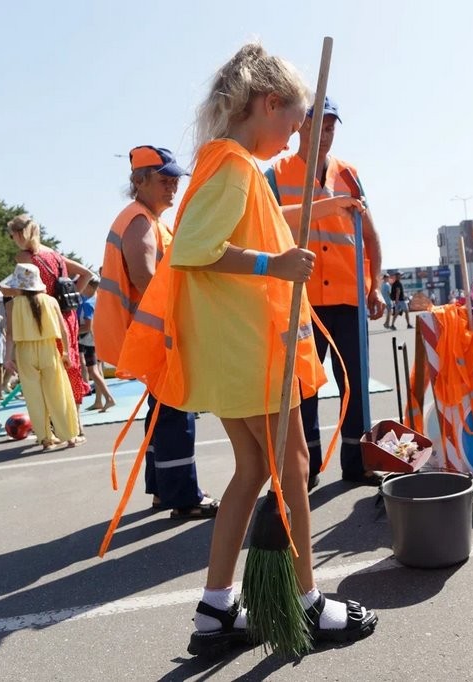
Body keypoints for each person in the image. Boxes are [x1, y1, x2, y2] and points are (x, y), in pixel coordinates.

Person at [121, 43, 377, 654]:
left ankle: (215, 609)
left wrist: (321, 206)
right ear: (267, 104)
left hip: (236, 354)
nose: (295, 138)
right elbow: (193, 249)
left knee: (254, 470)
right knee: (293, 472)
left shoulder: (225, 165)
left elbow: (242, 218)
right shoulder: (234, 166)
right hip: (253, 354)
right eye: (293, 122)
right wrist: (276, 264)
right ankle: (308, 603)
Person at [266, 95, 387, 488]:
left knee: (354, 384)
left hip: (349, 298)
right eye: (319, 124)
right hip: (301, 303)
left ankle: (358, 462)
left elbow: (370, 236)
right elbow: (266, 231)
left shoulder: (349, 173)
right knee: (304, 387)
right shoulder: (276, 173)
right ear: (300, 125)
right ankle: (307, 466)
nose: (326, 133)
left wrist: (376, 285)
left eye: (333, 125)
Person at [95, 145, 218, 518]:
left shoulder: (147, 219)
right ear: (139, 181)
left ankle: (164, 490)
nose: (173, 187)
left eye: (174, 180)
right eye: (164, 180)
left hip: (147, 332)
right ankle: (182, 496)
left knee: (163, 411)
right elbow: (145, 278)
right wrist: (178, 323)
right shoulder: (140, 221)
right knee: (175, 412)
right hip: (155, 333)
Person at [3, 214, 91, 445]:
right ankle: (75, 427)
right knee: (68, 373)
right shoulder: (54, 254)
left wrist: (4, 290)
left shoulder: (25, 257)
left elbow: (23, 289)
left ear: (20, 234)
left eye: (12, 235)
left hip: (39, 319)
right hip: (64, 317)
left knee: (39, 387)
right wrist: (67, 301)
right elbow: (87, 274)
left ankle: (47, 433)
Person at [0, 264, 81, 450]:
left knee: (34, 396)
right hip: (49, 349)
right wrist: (67, 352)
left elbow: (10, 334)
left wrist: (8, 357)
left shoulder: (12, 304)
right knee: (58, 393)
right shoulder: (50, 301)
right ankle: (69, 436)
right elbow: (63, 329)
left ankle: (45, 439)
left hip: (24, 352)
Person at [77, 278, 115, 411]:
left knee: (92, 370)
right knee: (98, 370)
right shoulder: (97, 298)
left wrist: (73, 330)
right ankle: (99, 400)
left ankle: (109, 398)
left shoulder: (87, 303)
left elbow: (87, 327)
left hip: (89, 341)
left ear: (89, 287)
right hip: (97, 338)